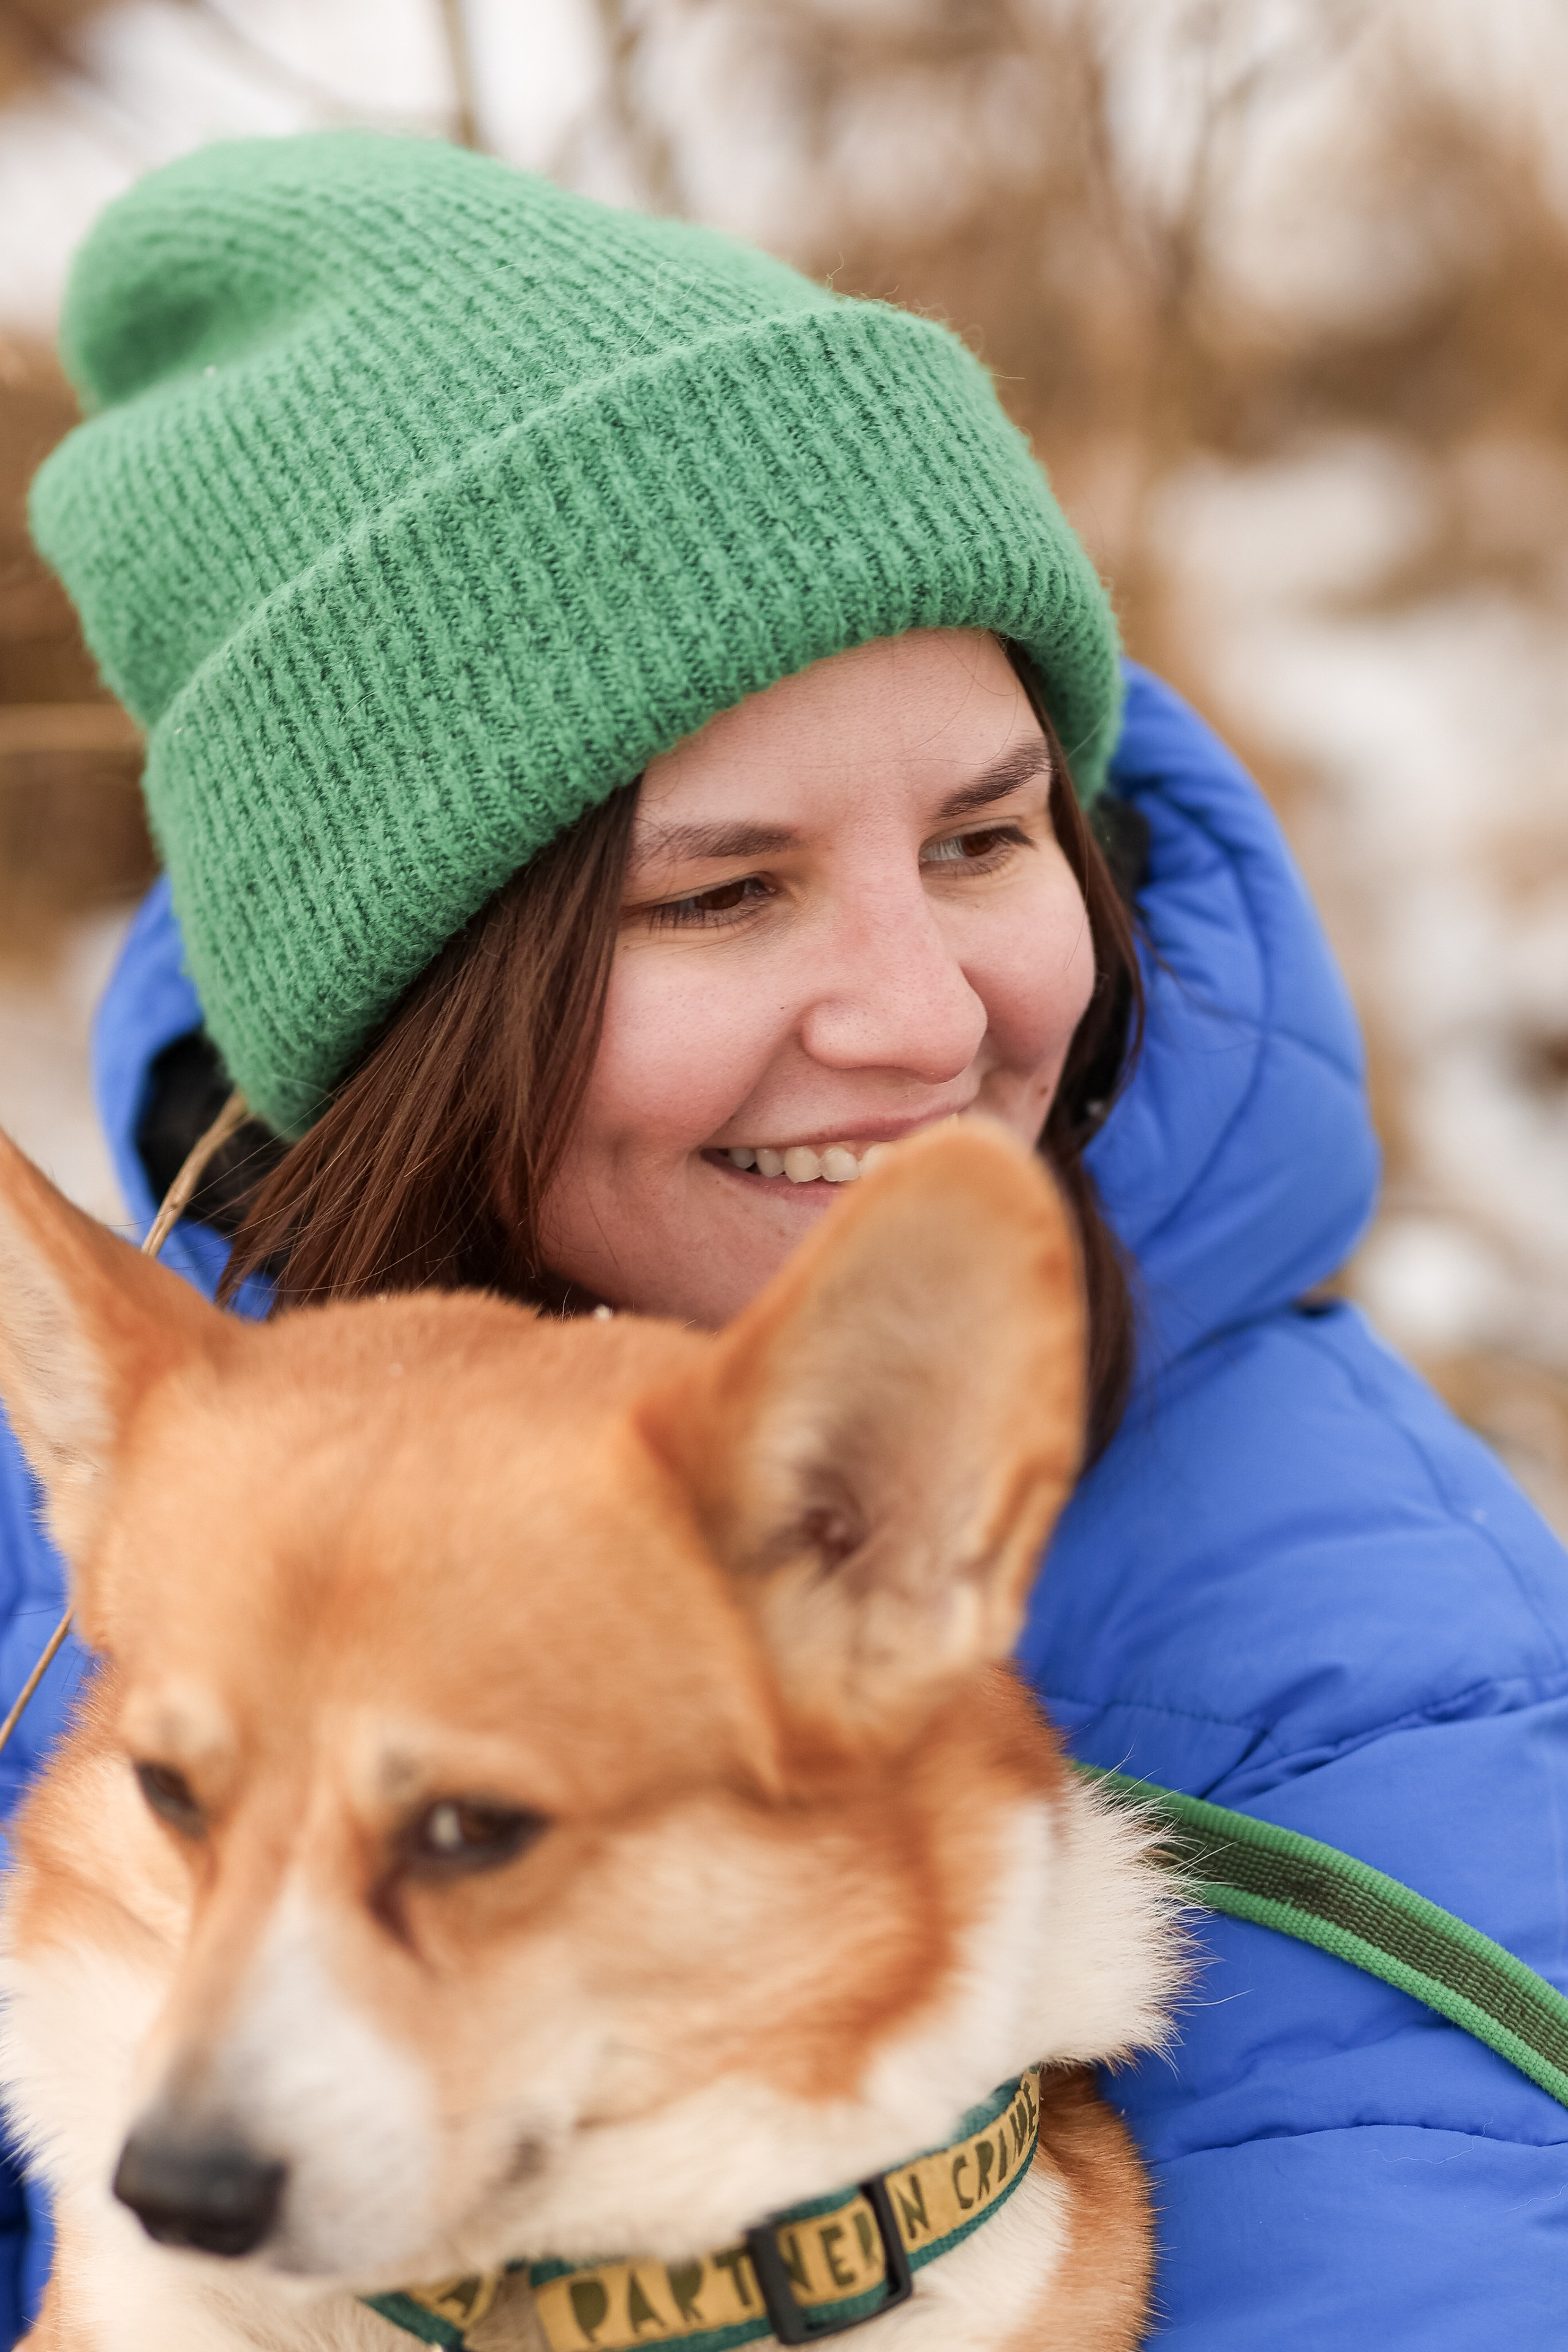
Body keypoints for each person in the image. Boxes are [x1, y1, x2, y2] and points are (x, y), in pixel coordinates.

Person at [2, 129, 1566, 2347]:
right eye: (725, 892)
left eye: (985, 836)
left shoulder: (1375, 1659)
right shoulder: (130, 1443)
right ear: (428, 994)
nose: (927, 1022)